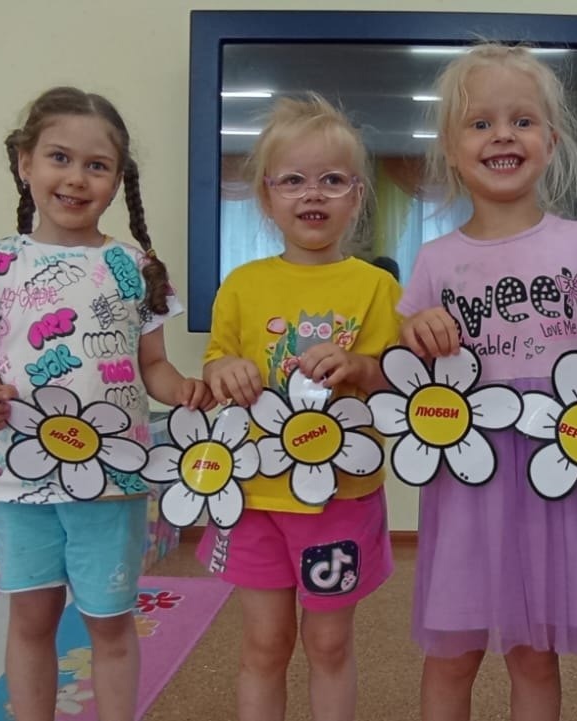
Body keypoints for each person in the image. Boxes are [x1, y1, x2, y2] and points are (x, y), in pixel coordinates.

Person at [398, 43, 577, 721]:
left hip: (558, 463)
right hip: (468, 474)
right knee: (452, 651)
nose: (502, 136)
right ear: (452, 148)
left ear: (550, 141)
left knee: (534, 653)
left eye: (521, 121)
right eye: (480, 123)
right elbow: (409, 362)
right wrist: (417, 332)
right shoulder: (435, 259)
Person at [0, 86, 211, 721]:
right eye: (59, 157)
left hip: (112, 481)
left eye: (97, 165)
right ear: (24, 162)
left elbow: (154, 366)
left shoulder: (134, 267)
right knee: (31, 620)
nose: (76, 178)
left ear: (118, 180)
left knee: (110, 624)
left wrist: (183, 390)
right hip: (20, 479)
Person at [200, 93, 402, 721]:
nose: (312, 194)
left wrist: (360, 366)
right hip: (254, 496)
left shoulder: (378, 287)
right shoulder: (241, 285)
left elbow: (396, 385)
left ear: (357, 196)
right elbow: (214, 366)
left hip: (339, 499)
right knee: (264, 644)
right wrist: (223, 369)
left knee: (329, 643)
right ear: (266, 197)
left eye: (332, 180)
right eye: (292, 180)